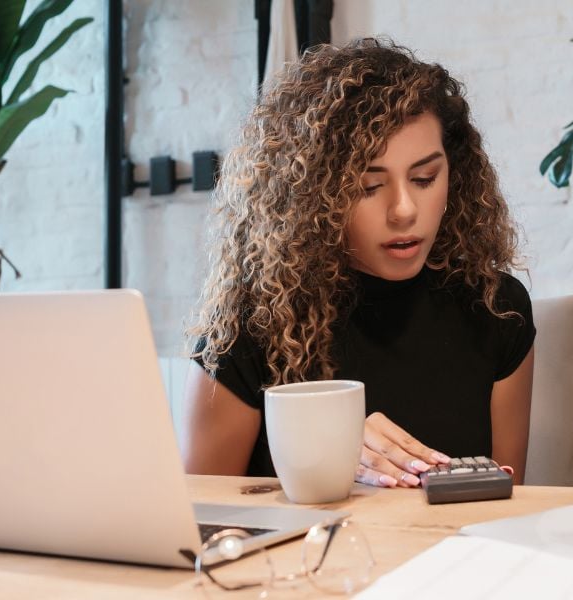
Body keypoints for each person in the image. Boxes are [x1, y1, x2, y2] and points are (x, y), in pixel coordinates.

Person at [183, 39, 535, 487]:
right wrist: (319, 455)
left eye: (425, 178)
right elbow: (202, 519)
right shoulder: (251, 325)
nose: (404, 210)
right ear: (313, 196)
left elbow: (509, 501)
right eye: (369, 186)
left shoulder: (495, 307)